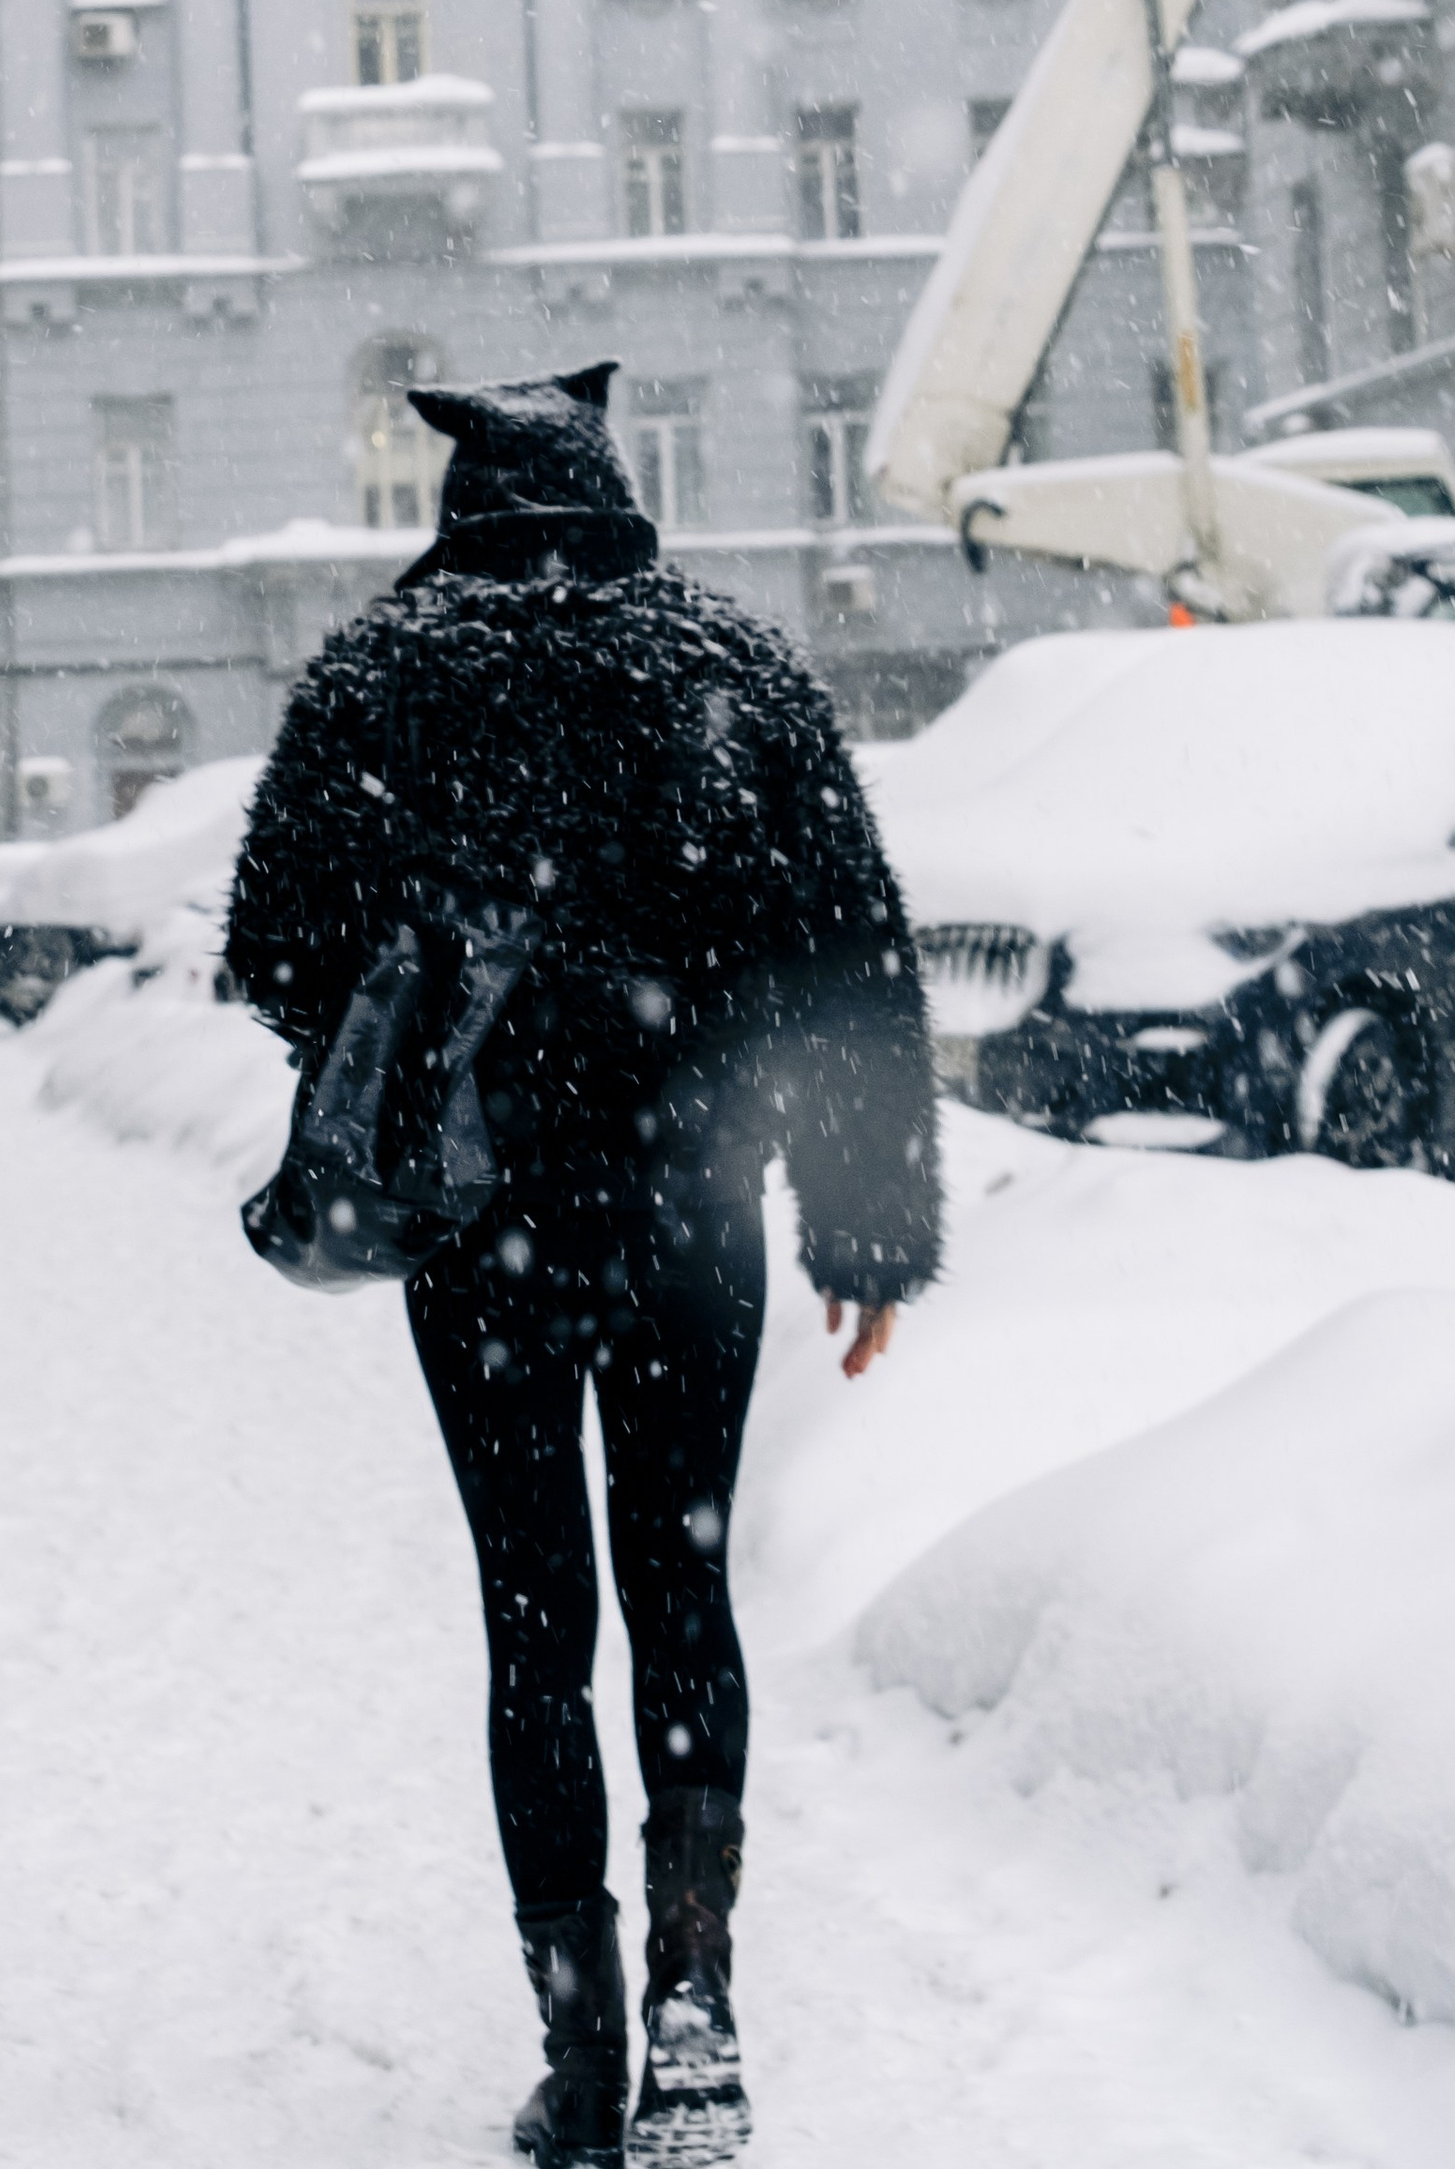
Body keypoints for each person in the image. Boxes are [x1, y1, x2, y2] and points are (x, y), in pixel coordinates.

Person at [227, 366, 941, 2169]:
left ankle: (580, 2041)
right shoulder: (733, 670)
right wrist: (865, 1222)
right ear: (614, 487)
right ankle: (699, 2015)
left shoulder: (383, 680)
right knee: (682, 1588)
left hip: (479, 1235)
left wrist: (432, 1012)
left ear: (461, 502)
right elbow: (849, 956)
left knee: (533, 1616)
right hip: (691, 1212)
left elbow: (272, 947)